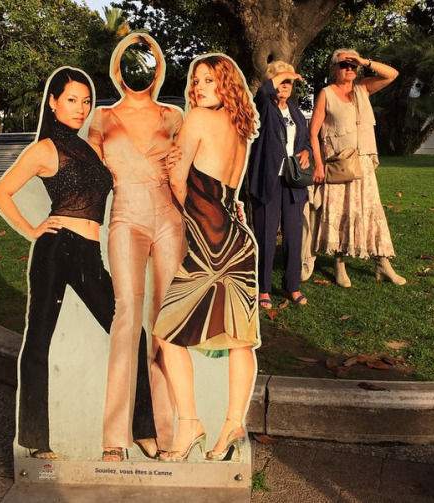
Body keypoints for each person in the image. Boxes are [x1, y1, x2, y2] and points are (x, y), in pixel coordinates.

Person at [0, 67, 115, 459]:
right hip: (58, 249)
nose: (81, 108)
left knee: (130, 334)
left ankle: (141, 429)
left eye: (86, 100)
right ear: (54, 102)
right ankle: (35, 439)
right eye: (72, 100)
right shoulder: (45, 148)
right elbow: (0, 193)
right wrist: (32, 230)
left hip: (89, 254)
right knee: (39, 338)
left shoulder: (87, 147)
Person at [153, 54, 260, 462]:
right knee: (239, 339)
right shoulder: (239, 127)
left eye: (208, 81)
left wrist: (169, 172)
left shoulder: (196, 120)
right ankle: (232, 423)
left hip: (211, 246)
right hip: (238, 241)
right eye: (196, 80)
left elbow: (180, 189)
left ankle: (191, 423)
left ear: (225, 85)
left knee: (166, 333)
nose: (198, 88)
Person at [88, 32, 185, 461]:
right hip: (125, 215)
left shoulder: (173, 116)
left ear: (158, 67)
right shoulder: (102, 118)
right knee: (126, 317)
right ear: (117, 68)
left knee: (165, 321)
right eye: (130, 61)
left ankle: (167, 434)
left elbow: (189, 173)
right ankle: (115, 436)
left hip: (169, 218)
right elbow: (89, 179)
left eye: (147, 60)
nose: (139, 70)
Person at [309, 49, 406, 287]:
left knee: (371, 211)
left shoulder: (363, 89)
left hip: (363, 164)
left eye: (353, 66)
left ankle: (382, 263)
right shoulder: (326, 94)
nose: (349, 69)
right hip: (339, 164)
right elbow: (314, 131)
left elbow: (392, 74)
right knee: (339, 212)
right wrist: (319, 164)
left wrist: (365, 61)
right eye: (344, 65)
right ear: (334, 68)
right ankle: (339, 263)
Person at [248, 61, 313, 309]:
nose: (286, 85)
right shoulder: (263, 107)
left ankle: (292, 285)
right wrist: (285, 73)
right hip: (269, 179)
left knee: (294, 234)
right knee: (265, 234)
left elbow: (305, 141)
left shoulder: (296, 112)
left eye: (289, 82)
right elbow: (264, 91)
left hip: (294, 181)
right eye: (281, 80)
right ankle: (263, 288)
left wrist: (306, 152)